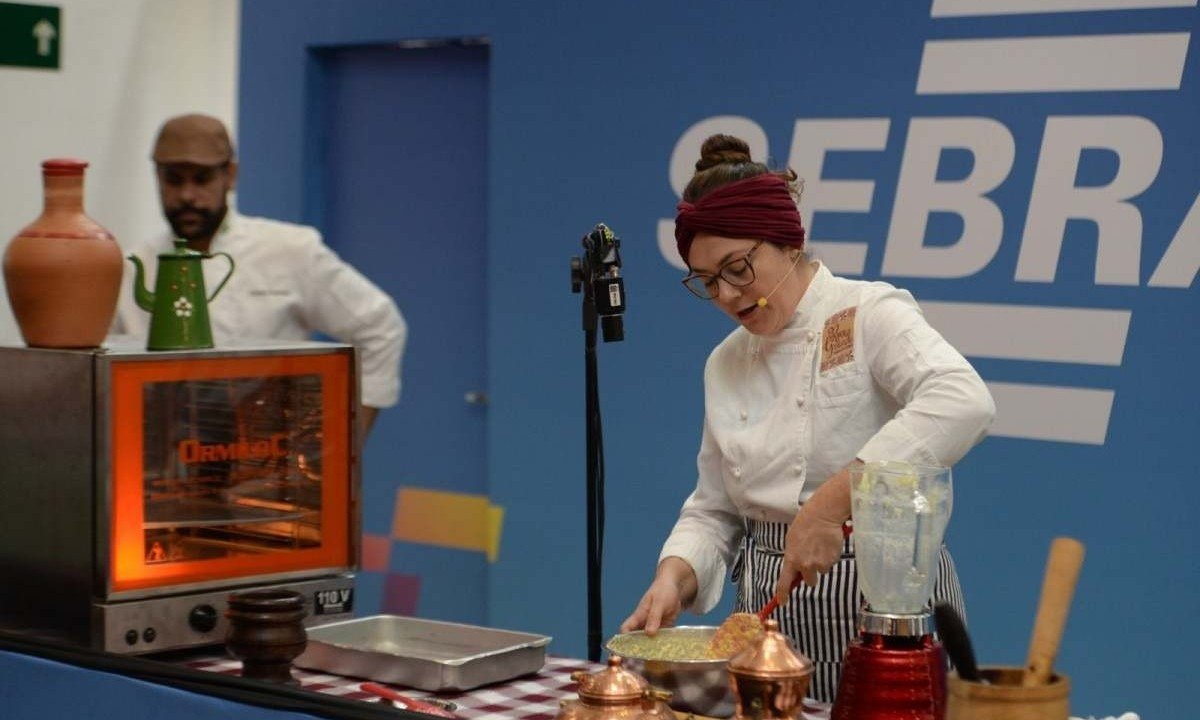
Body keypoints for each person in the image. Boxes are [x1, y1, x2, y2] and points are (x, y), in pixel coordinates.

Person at [620, 134, 995, 702]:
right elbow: (716, 506)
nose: (724, 293)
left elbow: (963, 400)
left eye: (738, 267)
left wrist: (832, 503)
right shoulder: (725, 361)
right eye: (706, 280)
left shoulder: (869, 313)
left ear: (786, 241)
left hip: (884, 598)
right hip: (768, 611)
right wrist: (674, 574)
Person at [111, 113, 407, 434]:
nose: (187, 195)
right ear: (157, 178)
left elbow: (381, 326)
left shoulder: (289, 250)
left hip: (269, 459)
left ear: (231, 176)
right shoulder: (130, 268)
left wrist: (347, 441)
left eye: (202, 178)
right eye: (174, 180)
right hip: (160, 464)